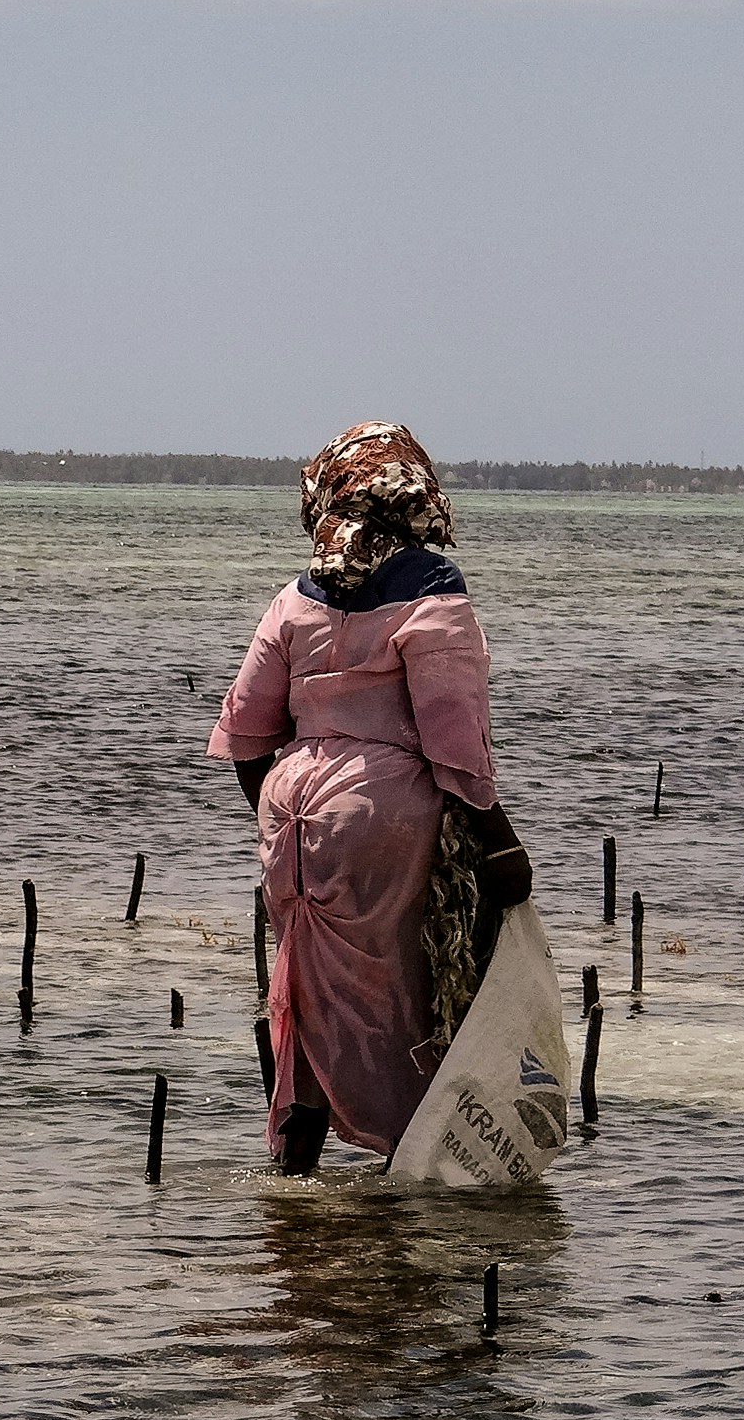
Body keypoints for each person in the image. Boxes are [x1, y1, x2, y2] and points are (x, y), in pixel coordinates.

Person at [210, 421, 533, 1175]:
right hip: (384, 811)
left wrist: (284, 814)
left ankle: (296, 1181)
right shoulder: (431, 592)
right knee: (402, 999)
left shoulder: (294, 599)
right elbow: (454, 742)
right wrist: (501, 842)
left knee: (308, 994)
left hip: (291, 810)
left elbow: (246, 735)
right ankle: (412, 1173)